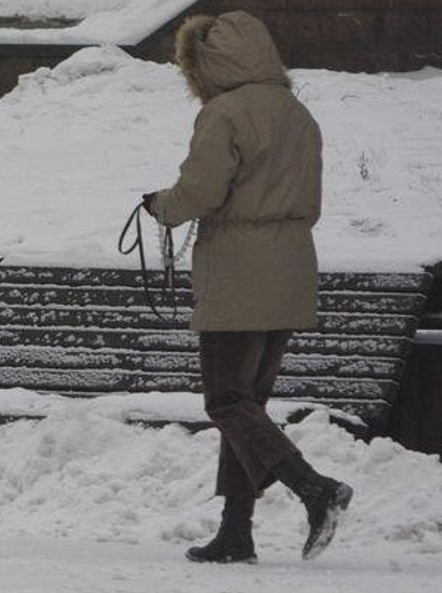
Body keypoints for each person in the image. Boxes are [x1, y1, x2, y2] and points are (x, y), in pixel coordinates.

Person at [142, 11, 353, 563]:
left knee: (227, 400)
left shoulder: (224, 112)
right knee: (248, 406)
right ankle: (237, 532)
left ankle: (315, 490)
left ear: (206, 64)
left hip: (238, 271)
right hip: (289, 267)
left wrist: (162, 207)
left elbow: (202, 191)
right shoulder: (297, 113)